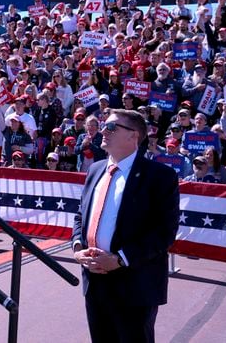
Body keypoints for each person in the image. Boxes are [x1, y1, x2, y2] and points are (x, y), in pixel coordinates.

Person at [72, 109, 180, 343]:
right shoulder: (95, 169)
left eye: (111, 127)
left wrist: (120, 259)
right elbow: (81, 215)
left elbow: (164, 233)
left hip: (135, 285)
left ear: (133, 136)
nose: (103, 130)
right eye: (104, 125)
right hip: (95, 282)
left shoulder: (160, 176)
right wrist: (78, 247)